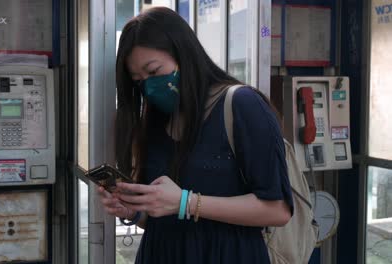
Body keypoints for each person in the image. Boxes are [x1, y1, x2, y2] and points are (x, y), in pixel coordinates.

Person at [98, 6, 293, 264]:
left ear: (184, 55)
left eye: (154, 71)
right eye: (138, 80)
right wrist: (134, 212)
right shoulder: (155, 121)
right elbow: (165, 215)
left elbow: (278, 210)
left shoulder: (241, 105)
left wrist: (187, 203)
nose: (149, 86)